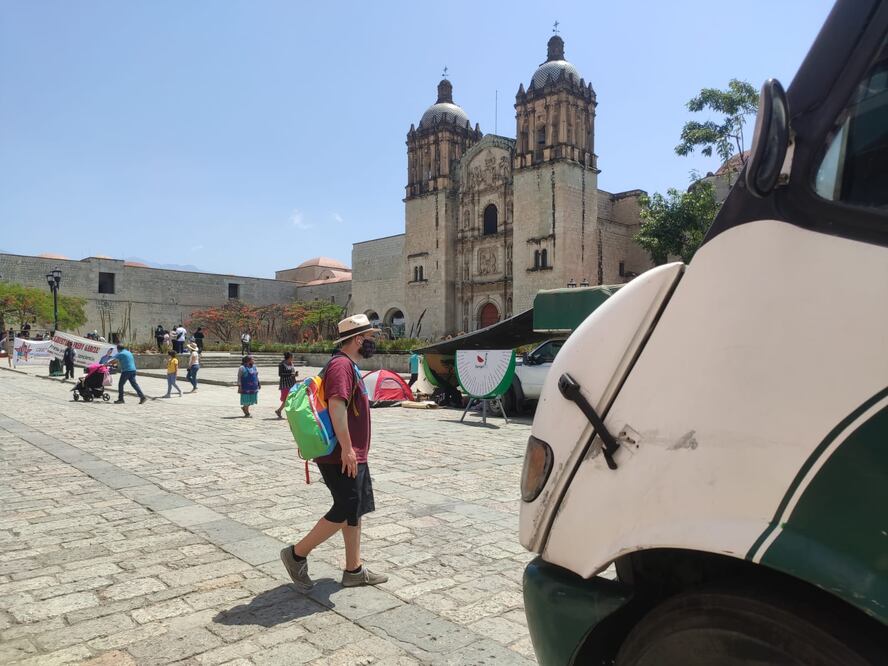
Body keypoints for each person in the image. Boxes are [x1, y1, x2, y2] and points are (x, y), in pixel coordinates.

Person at [280, 314, 388, 590]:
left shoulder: (347, 366)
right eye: (370, 338)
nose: (372, 343)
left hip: (350, 452)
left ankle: (354, 570)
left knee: (355, 510)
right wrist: (349, 450)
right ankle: (296, 554)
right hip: (339, 453)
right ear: (358, 339)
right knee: (346, 507)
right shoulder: (340, 366)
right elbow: (338, 408)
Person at [275, 352, 299, 418]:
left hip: (292, 383)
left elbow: (292, 372)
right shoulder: (281, 364)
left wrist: (295, 374)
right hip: (285, 384)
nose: (293, 358)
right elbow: (280, 374)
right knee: (287, 399)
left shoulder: (291, 364)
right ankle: (280, 410)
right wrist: (290, 374)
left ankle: (279, 410)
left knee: (291, 398)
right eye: (292, 357)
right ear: (289, 357)